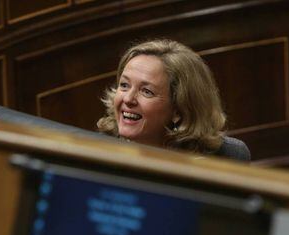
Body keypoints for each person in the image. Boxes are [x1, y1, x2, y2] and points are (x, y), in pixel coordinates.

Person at [97, 39, 250, 161]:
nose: (128, 98)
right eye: (124, 85)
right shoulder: (97, 152)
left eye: (146, 91)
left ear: (179, 109)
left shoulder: (227, 155)